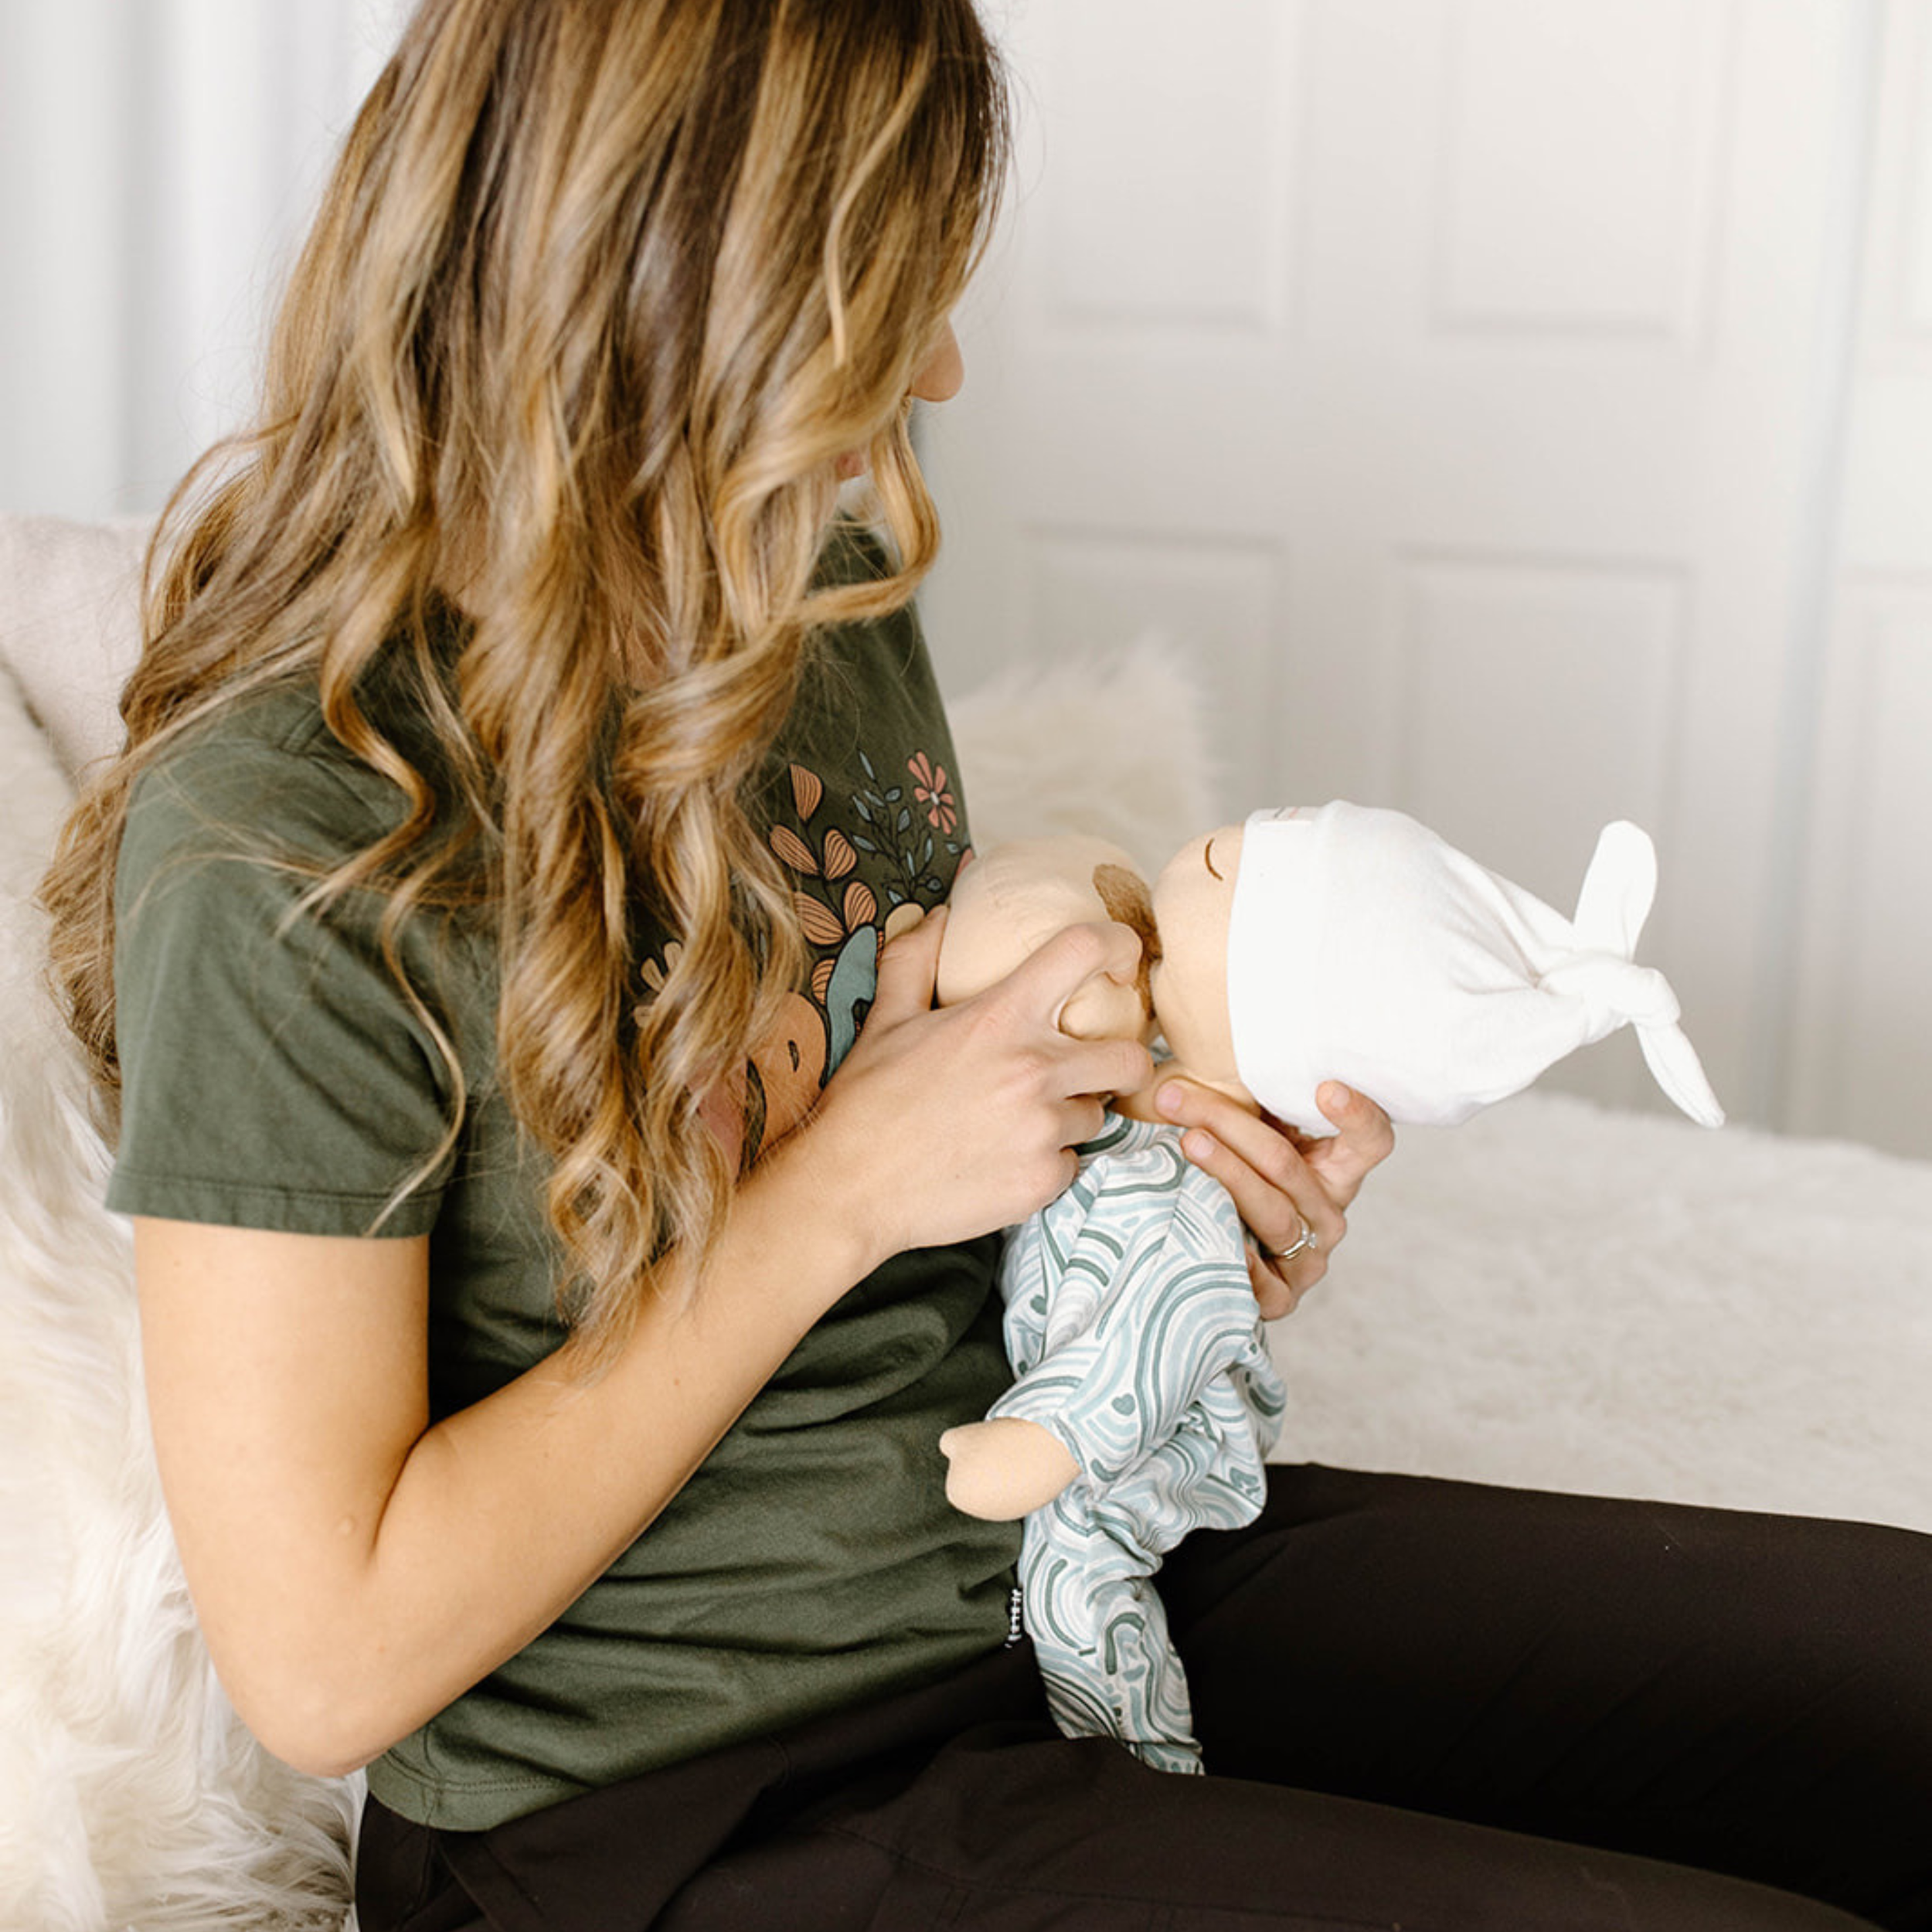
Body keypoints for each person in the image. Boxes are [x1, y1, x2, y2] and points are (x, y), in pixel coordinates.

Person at [40, 2, 1932, 1927]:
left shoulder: (814, 605)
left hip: (1070, 1578)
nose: (937, 366)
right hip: (666, 1812)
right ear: (668, 286)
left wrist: (1166, 1234)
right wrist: (847, 1181)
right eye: (885, 303)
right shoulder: (289, 827)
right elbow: (324, 1652)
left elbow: (961, 1232)